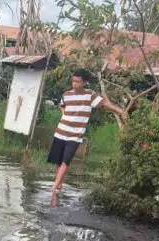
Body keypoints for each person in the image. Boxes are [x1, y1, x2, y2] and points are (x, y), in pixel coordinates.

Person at [48, 69, 126, 204]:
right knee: (58, 161)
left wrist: (120, 111)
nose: (74, 84)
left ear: (84, 82)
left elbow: (106, 104)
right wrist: (65, 115)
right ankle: (59, 183)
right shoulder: (67, 94)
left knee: (66, 160)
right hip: (61, 131)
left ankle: (54, 187)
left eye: (77, 82)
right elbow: (62, 105)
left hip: (75, 135)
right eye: (73, 81)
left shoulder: (91, 96)